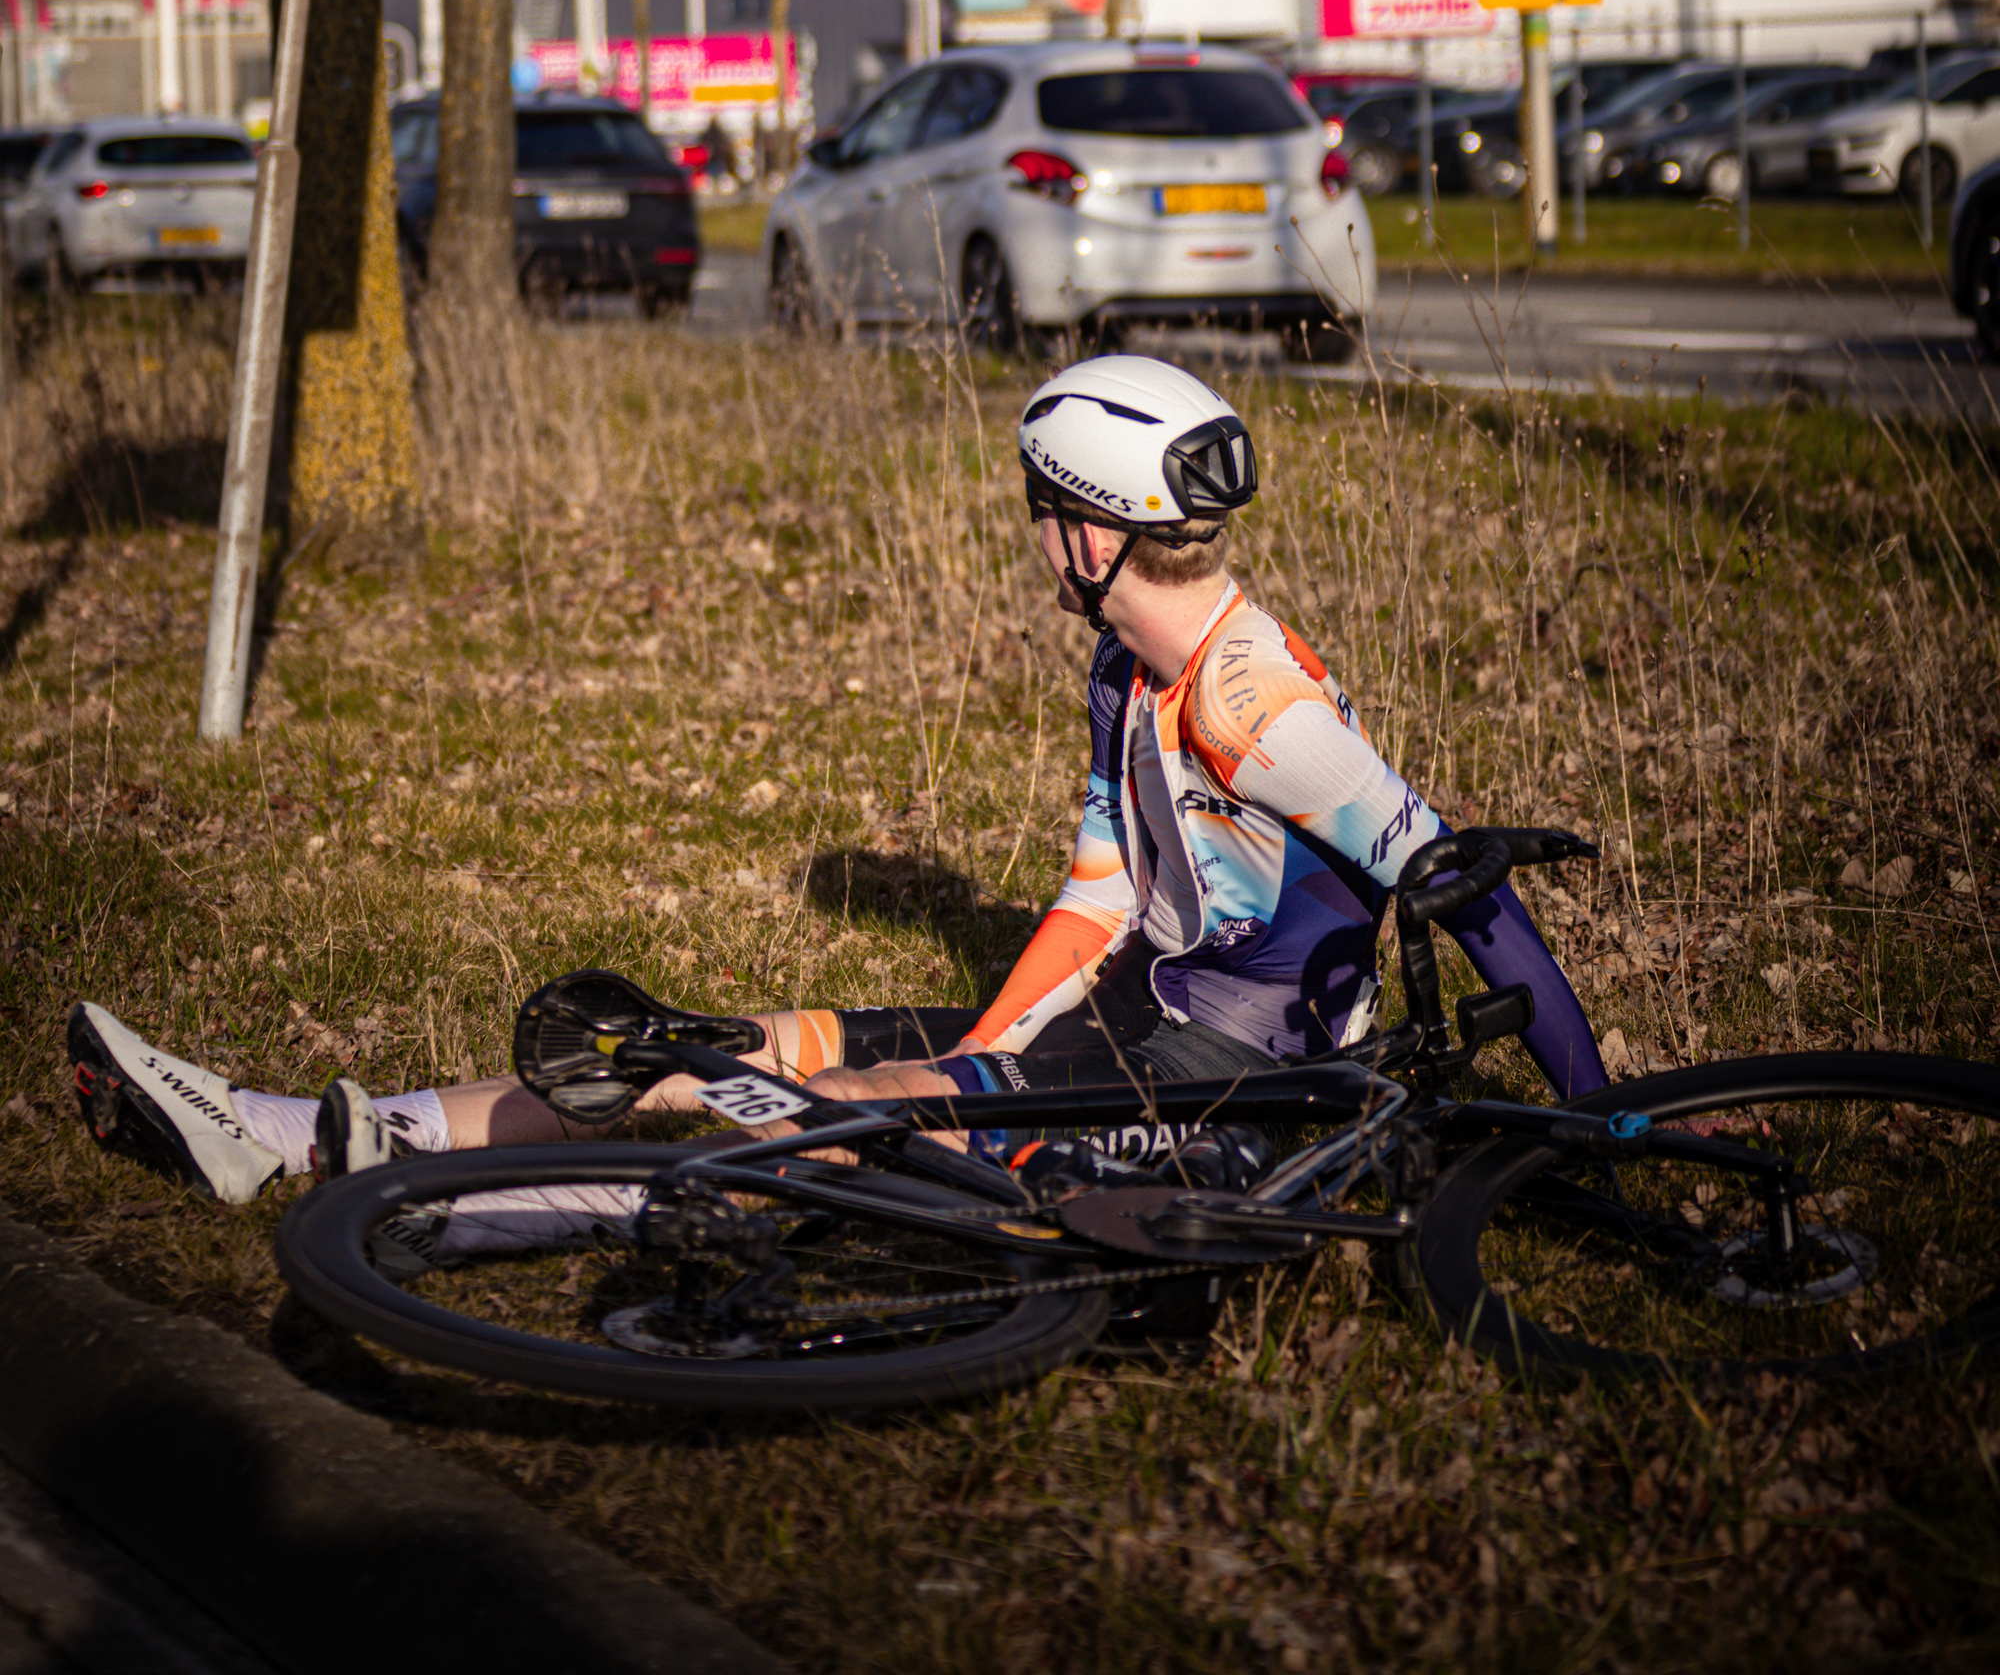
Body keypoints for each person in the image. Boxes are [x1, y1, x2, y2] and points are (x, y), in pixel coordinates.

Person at [67, 355, 1604, 1214]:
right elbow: (1095, 902)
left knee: (837, 1116)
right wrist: (987, 1057)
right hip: (1136, 1024)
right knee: (721, 1049)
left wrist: (1608, 1117)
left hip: (1239, 1094)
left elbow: (1471, 896)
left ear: (1091, 530)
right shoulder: (1132, 672)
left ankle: (451, 1226)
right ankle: (292, 1132)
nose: (1037, 538)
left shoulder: (1256, 705)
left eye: (1040, 512)